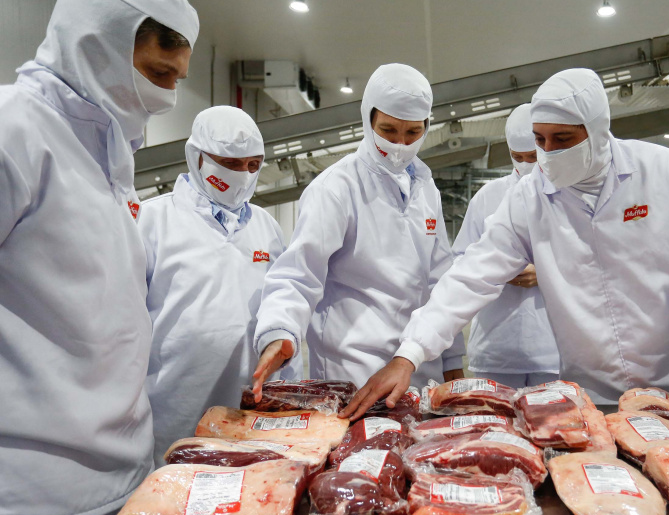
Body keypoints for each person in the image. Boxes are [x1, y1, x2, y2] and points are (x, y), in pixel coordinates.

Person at [343, 68, 669, 418]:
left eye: (562, 139)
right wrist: (410, 353)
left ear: (598, 131)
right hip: (592, 395)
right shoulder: (529, 198)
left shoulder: (663, 173)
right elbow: (469, 277)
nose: (547, 153)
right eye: (539, 140)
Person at [0, 0, 198, 515]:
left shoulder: (108, 158)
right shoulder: (14, 129)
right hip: (32, 507)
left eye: (178, 79)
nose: (168, 96)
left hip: (120, 484)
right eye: (159, 73)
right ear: (98, 41)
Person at [250, 63, 465, 400]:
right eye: (389, 130)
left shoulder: (426, 189)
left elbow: (439, 280)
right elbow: (298, 274)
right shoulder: (337, 188)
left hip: (419, 365)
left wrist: (452, 358)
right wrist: (280, 330)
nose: (399, 144)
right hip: (352, 372)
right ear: (368, 119)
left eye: (412, 133)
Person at [140, 106, 300, 467]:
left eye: (253, 165)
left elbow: (282, 301)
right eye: (229, 164)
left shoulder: (265, 227)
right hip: (172, 408)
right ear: (197, 158)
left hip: (248, 412)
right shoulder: (152, 222)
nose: (243, 175)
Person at [451, 103, 560, 388]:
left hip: (554, 348)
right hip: (497, 346)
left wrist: (544, 273)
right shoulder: (488, 197)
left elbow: (591, 261)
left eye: (532, 157)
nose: (525, 164)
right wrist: (496, 269)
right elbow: (460, 260)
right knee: (496, 427)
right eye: (517, 157)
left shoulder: (567, 195)